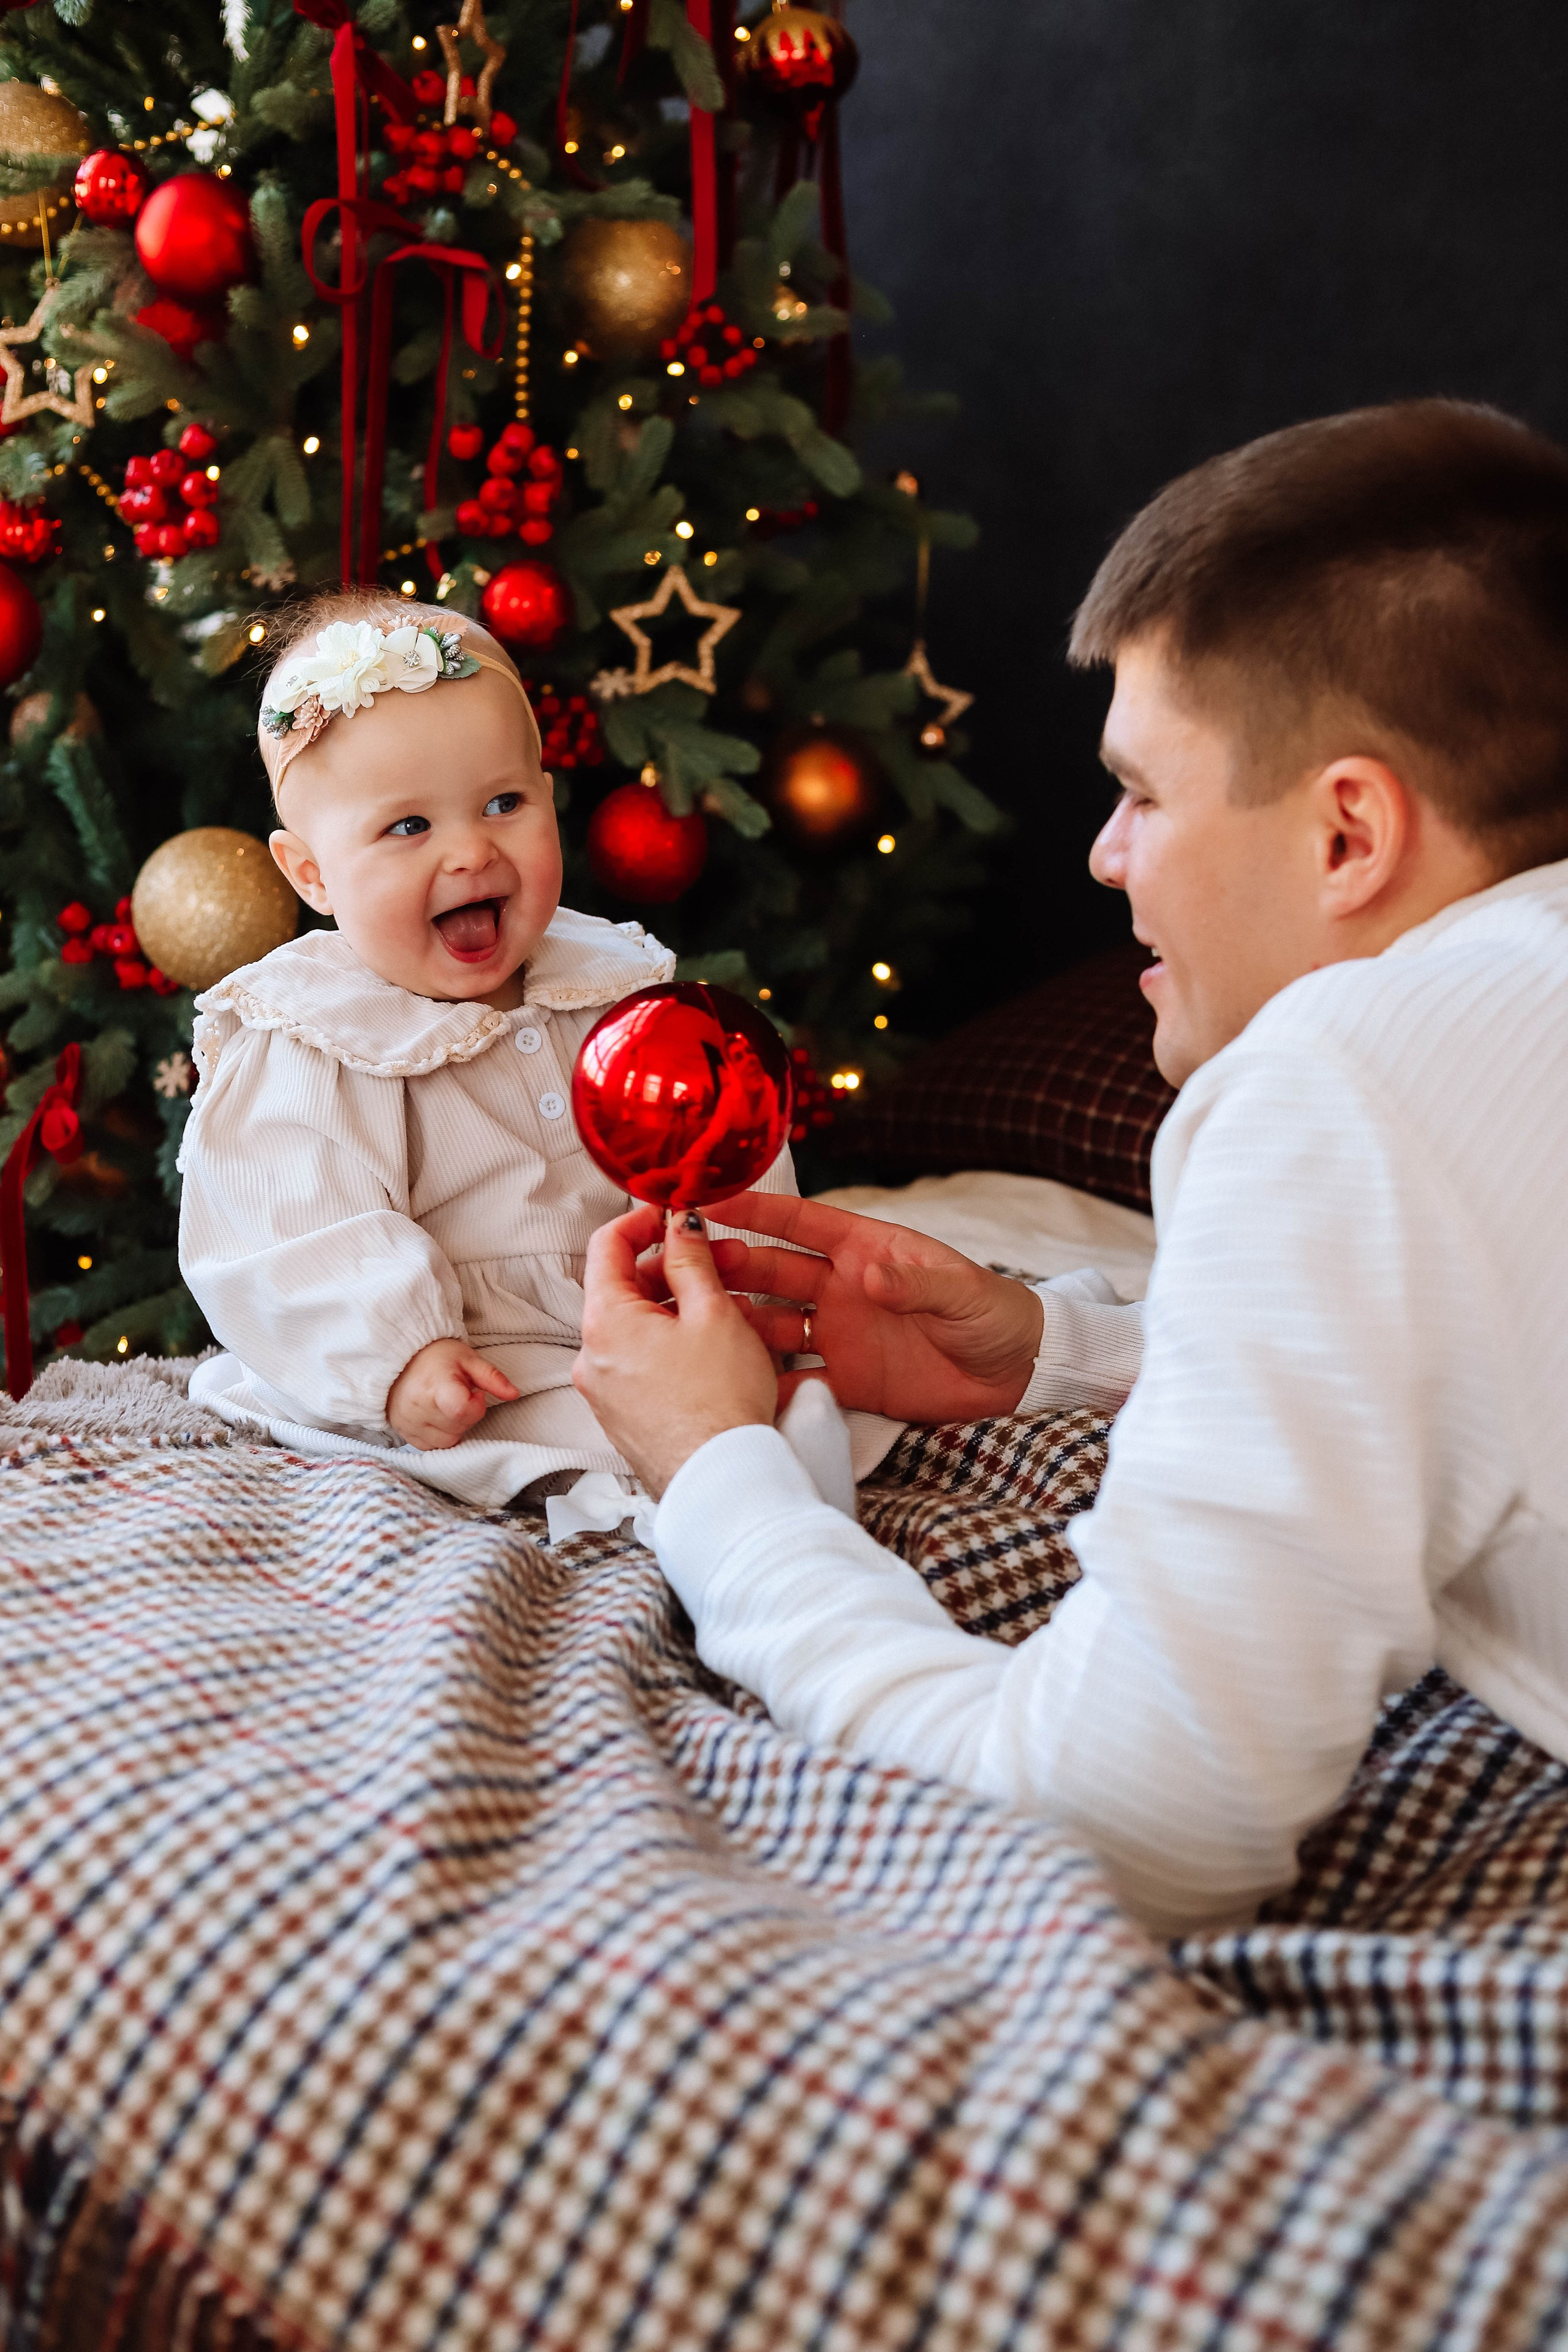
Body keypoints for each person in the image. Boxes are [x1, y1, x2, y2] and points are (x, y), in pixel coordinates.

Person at [572, 399, 1568, 1937]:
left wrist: (716, 1478)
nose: (1104, 855)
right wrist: (1056, 1347)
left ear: (1345, 834)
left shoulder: (1339, 1082)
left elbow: (1122, 1830)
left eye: (1144, 794)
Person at [177, 587, 794, 1512]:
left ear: (547, 797)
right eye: (409, 827)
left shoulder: (610, 981)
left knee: (802, 1392)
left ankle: (750, 1454)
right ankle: (701, 1495)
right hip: (478, 1357)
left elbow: (712, 1132)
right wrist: (401, 1357)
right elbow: (287, 1227)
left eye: (504, 803)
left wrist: (730, 1272)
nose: (469, 852)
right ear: (311, 874)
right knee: (592, 1437)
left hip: (649, 1318)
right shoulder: (318, 1032)